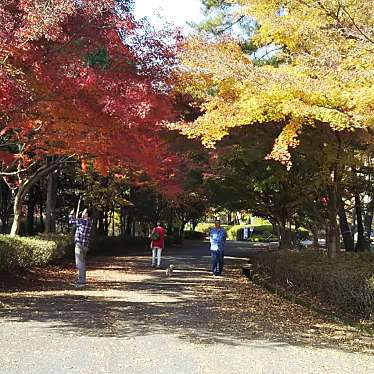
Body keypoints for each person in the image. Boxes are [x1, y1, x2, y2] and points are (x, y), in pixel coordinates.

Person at [69, 208, 92, 287]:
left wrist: (71, 214)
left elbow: (71, 221)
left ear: (87, 214)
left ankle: (81, 282)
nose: (82, 213)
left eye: (84, 212)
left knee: (79, 264)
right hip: (85, 246)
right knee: (82, 263)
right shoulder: (89, 222)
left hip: (79, 245)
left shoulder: (82, 221)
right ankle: (81, 279)